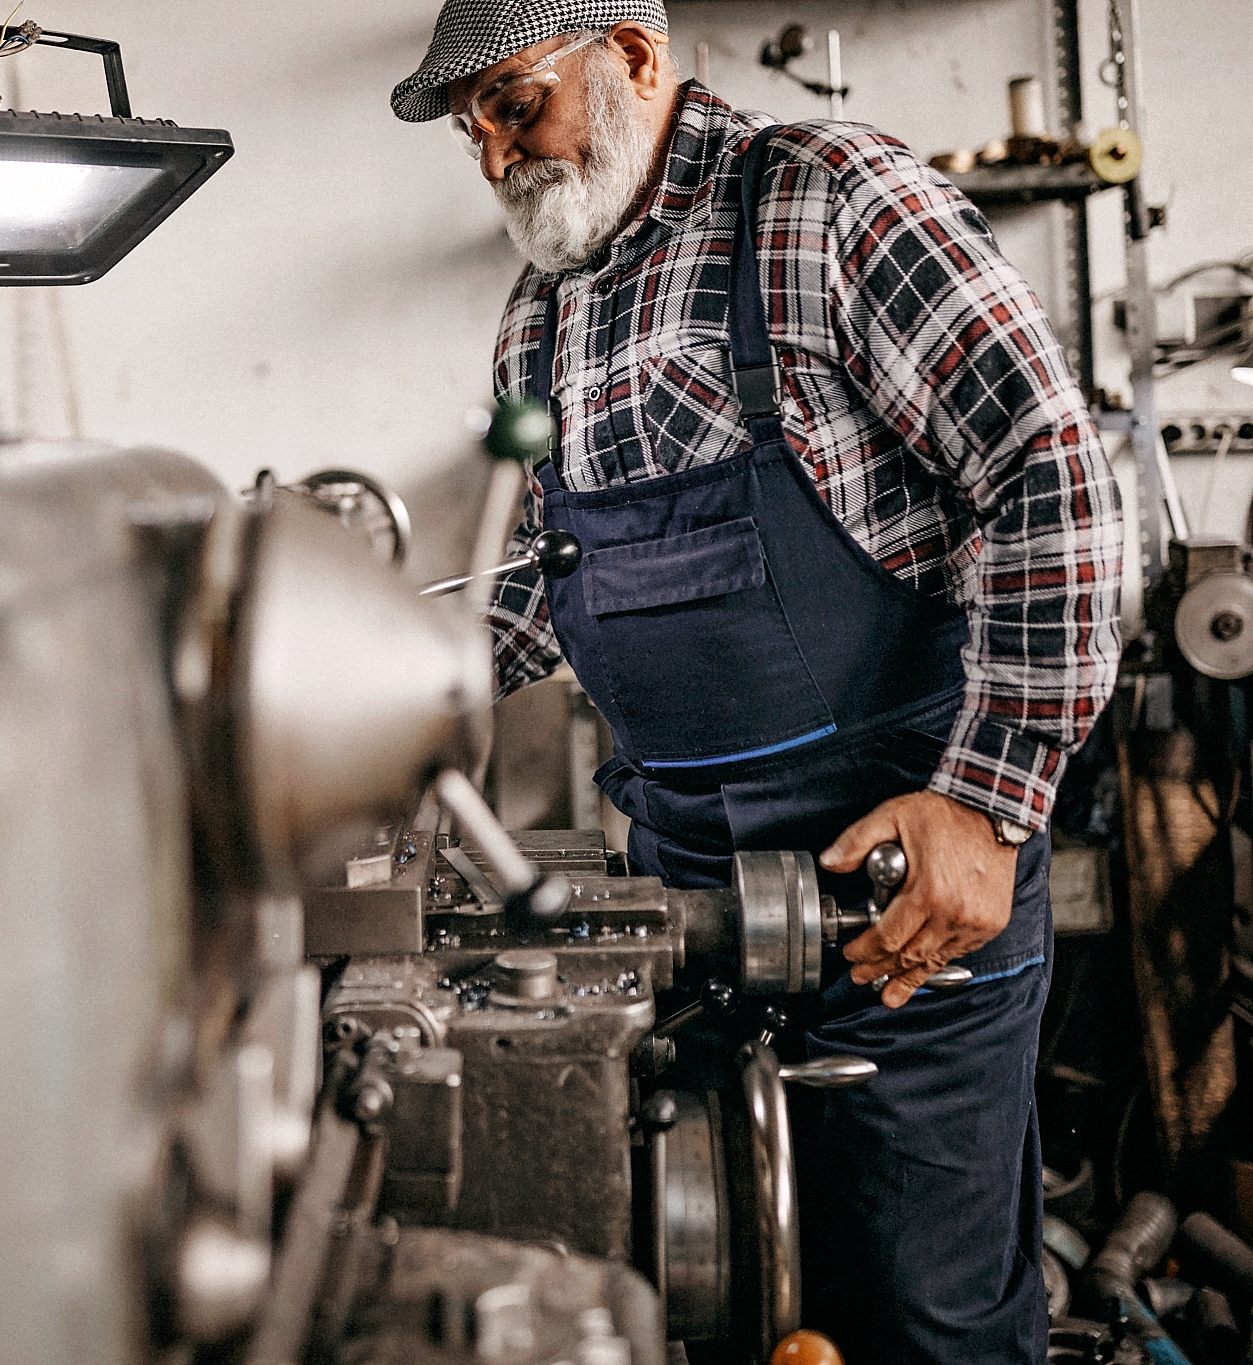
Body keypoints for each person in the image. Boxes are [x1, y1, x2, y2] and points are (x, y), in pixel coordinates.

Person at [391, 3, 1122, 1361]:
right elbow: (545, 576)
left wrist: (991, 801)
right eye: (469, 130)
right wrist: (368, 696)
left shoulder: (826, 202)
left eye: (513, 103)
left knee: (923, 1316)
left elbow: (1050, 476)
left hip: (896, 902)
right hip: (683, 913)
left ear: (636, 54)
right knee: (729, 1297)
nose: (493, 156)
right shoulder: (539, 317)